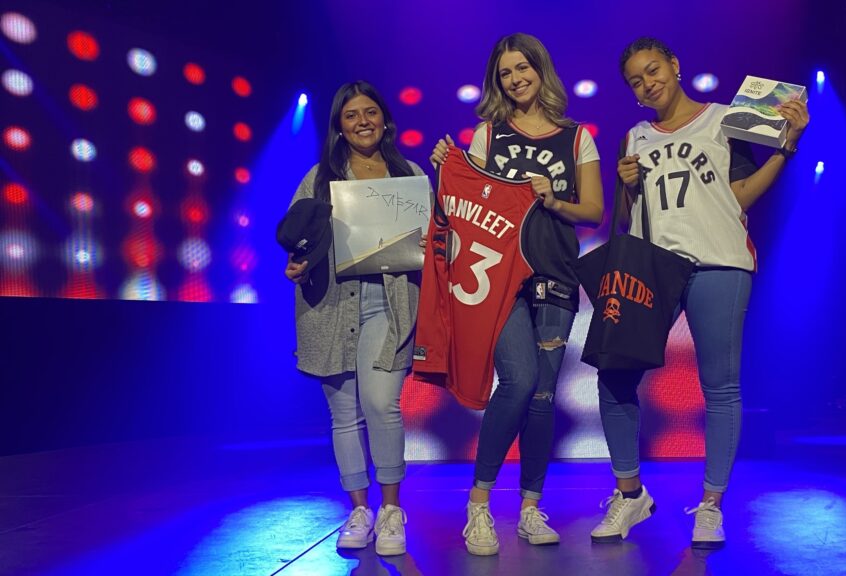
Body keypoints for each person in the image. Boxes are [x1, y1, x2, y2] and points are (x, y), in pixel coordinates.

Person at [589, 37, 809, 549]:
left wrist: (787, 147)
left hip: (719, 261)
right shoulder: (634, 136)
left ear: (675, 65)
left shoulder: (724, 118)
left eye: (653, 71)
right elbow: (625, 221)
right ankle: (630, 494)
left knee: (720, 387)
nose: (648, 84)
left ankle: (710, 506)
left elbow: (740, 194)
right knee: (614, 374)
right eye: (636, 81)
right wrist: (624, 184)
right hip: (653, 269)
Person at [430, 32, 603, 555]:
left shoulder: (577, 139)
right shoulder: (488, 136)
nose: (515, 79)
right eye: (505, 73)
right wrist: (445, 167)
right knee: (520, 380)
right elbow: (460, 207)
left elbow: (593, 210)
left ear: (540, 70)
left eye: (522, 68)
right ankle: (479, 505)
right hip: (496, 280)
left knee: (544, 395)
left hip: (555, 273)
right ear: (497, 81)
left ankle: (530, 508)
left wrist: (554, 199)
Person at [284, 80, 428, 557]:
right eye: (351, 115)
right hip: (329, 305)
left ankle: (390, 510)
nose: (362, 121)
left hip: (390, 302)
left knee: (381, 403)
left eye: (371, 112)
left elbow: (434, 238)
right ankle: (360, 509)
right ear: (339, 127)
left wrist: (430, 245)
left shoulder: (409, 174)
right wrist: (296, 263)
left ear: (385, 120)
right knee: (344, 414)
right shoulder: (320, 177)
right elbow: (295, 238)